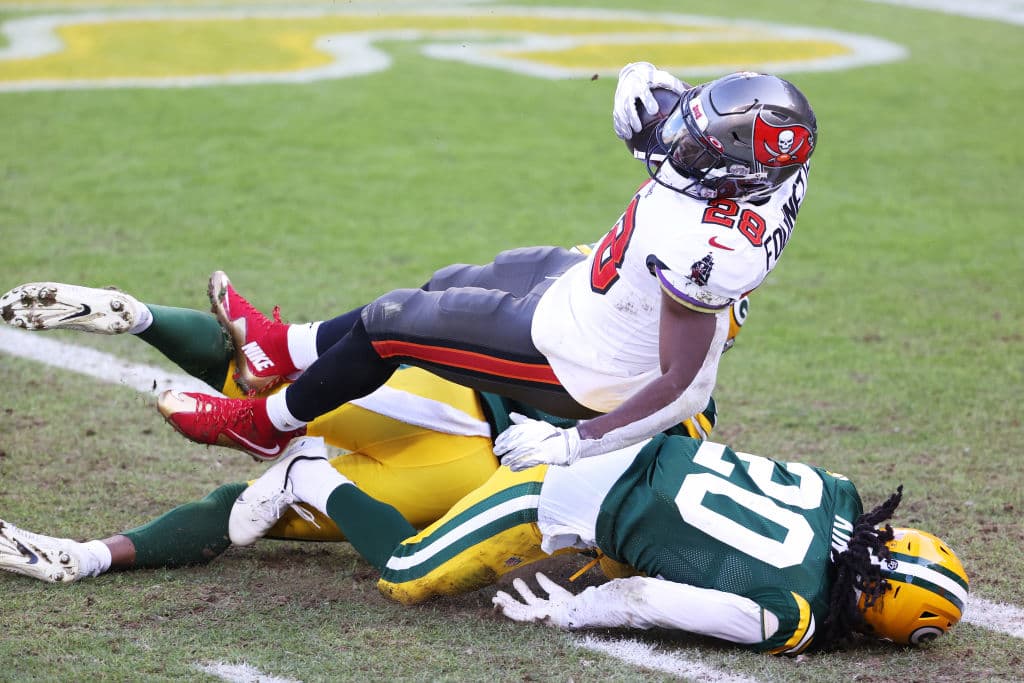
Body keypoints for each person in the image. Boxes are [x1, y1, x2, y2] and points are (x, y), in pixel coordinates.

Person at [146, 62, 815, 470]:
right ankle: (274, 349)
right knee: (448, 280)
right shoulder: (778, 165)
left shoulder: (712, 253)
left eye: (697, 156)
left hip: (583, 363)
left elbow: (687, 386)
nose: (677, 153)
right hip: (589, 287)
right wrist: (646, 80)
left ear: (740, 177)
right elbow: (704, 115)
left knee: (392, 323)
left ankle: (265, 426)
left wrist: (578, 441)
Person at [0, 433, 968, 653]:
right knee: (412, 573)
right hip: (561, 490)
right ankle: (308, 469)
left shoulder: (838, 491)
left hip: (613, 438)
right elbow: (642, 600)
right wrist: (580, 600)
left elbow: (706, 454)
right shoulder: (787, 613)